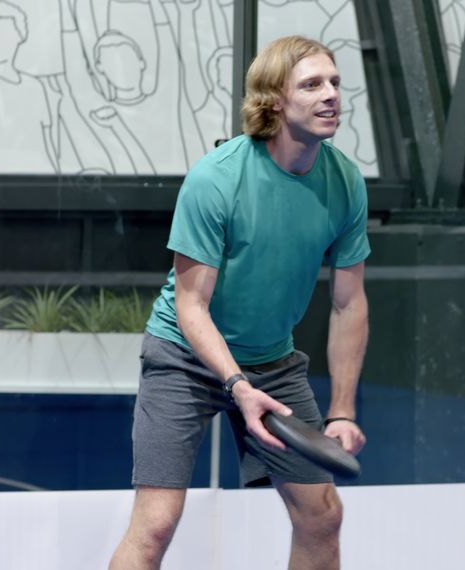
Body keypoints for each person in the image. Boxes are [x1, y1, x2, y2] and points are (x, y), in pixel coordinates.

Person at [108, 35, 370, 570]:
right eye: (312, 84)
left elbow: (349, 304)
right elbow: (191, 307)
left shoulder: (344, 182)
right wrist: (237, 386)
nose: (331, 96)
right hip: (184, 357)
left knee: (322, 516)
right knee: (156, 524)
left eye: (335, 83)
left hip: (272, 361)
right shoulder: (216, 180)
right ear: (274, 100)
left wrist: (342, 409)